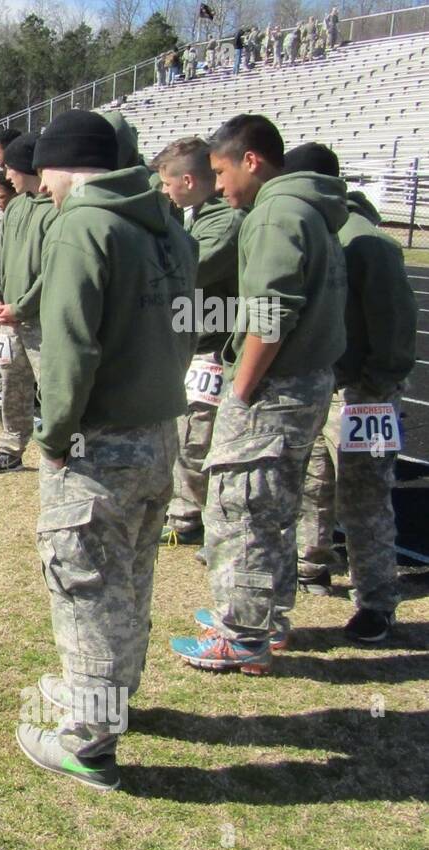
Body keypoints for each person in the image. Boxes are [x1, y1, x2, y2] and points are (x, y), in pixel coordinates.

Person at [13, 109, 198, 792]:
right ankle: (112, 694)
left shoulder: (85, 225)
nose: (43, 193)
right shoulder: (168, 229)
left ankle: (88, 743)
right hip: (158, 435)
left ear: (64, 168)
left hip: (99, 443)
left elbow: (69, 351)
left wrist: (54, 439)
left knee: (85, 587)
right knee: (131, 579)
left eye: (46, 180)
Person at [170, 115, 347, 674]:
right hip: (306, 383)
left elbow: (269, 317)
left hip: (274, 389)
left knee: (241, 507)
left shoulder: (275, 212)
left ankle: (242, 633)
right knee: (273, 508)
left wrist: (240, 392)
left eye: (221, 172)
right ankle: (266, 620)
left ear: (252, 161)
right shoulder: (309, 209)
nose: (217, 187)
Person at [285, 142, 417, 642]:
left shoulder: (365, 242)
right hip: (325, 383)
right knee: (314, 483)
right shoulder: (322, 234)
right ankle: (312, 561)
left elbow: (396, 324)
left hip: (361, 393)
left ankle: (377, 601)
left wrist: (376, 387)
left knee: (363, 497)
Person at [152, 137, 244, 545]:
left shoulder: (222, 220)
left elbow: (190, 271)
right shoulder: (201, 215)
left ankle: (187, 516)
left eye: (166, 184)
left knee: (195, 432)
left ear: (187, 180)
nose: (164, 192)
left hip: (213, 341)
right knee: (188, 428)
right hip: (199, 334)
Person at [0, 133, 55, 473]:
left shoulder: (55, 210)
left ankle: (62, 452)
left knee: (53, 390)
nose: (6, 177)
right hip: (7, 319)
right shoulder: (15, 206)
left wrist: (22, 308)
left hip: (39, 322)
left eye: (10, 169)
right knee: (11, 384)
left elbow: (52, 270)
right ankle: (10, 447)